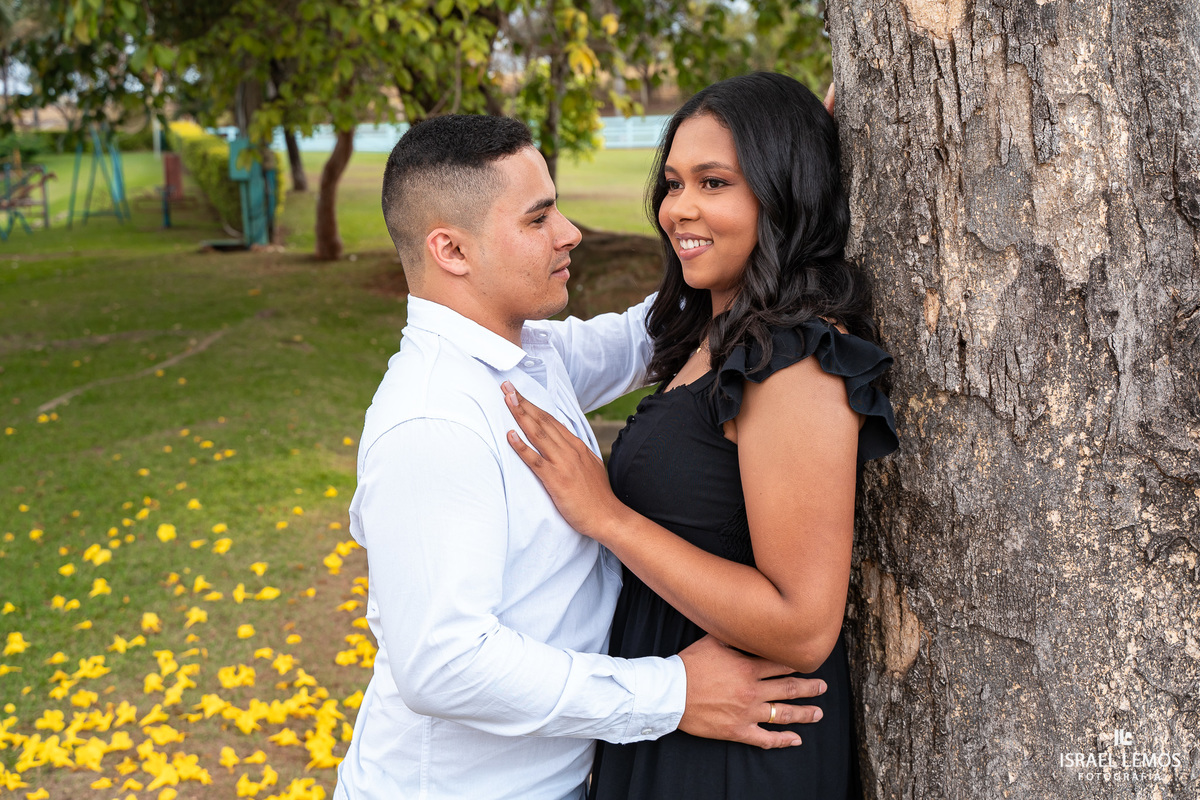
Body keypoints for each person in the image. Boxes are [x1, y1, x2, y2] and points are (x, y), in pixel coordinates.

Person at [334, 113, 829, 800]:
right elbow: (444, 664)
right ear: (452, 251)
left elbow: (656, 330)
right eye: (538, 220)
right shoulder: (432, 421)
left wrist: (785, 177)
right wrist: (672, 693)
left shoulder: (529, 355)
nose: (569, 233)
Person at [501, 72, 899, 798]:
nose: (679, 207)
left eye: (714, 183)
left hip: (739, 752)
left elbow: (804, 624)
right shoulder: (713, 333)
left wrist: (608, 519)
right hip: (681, 719)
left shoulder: (795, 359)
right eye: (675, 182)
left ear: (783, 193)